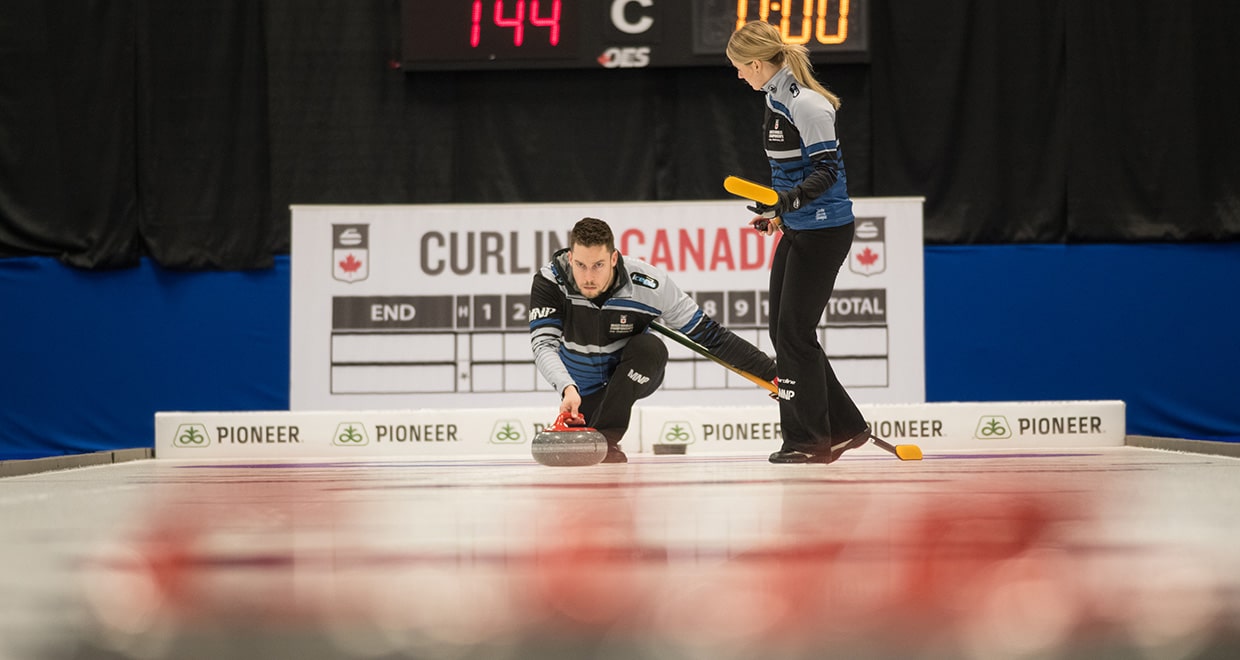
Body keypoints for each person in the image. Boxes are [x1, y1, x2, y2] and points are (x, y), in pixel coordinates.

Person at [726, 20, 875, 464]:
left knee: (794, 333)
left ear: (756, 63)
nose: (738, 76)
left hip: (825, 230)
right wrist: (779, 213)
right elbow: (791, 173)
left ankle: (811, 441)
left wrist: (786, 202)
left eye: (739, 68)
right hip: (801, 226)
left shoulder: (806, 105)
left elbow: (826, 171)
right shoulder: (774, 98)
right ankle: (846, 427)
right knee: (784, 332)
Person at [529, 217, 777, 463]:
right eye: (581, 265)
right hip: (581, 390)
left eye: (598, 265)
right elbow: (543, 345)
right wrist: (567, 388)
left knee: (650, 348)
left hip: (633, 374)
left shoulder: (650, 284)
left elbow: (710, 334)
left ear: (614, 258)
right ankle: (596, 431)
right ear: (570, 258)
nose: (588, 277)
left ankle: (606, 440)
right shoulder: (550, 281)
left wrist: (771, 373)